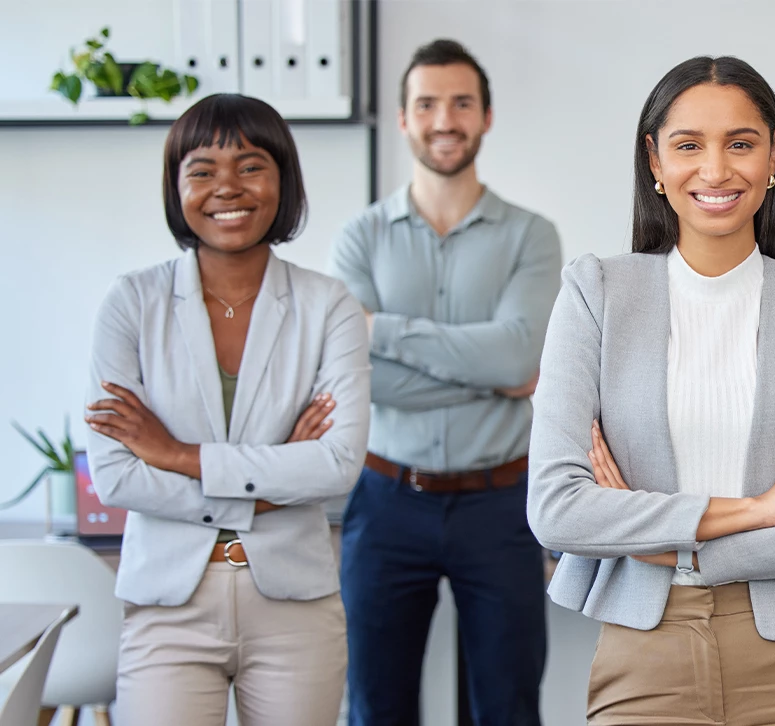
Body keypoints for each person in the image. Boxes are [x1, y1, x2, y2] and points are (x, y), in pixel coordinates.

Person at [526, 55, 775, 725]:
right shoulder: (596, 294)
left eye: (741, 143)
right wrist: (761, 509)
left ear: (773, 155)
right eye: (689, 144)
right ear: (654, 161)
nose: (716, 170)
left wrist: (642, 529)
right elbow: (556, 511)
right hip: (645, 654)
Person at [84, 93, 371, 725]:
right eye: (203, 170)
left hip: (294, 605)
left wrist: (177, 455)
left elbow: (337, 466)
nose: (227, 188)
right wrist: (276, 476)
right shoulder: (130, 303)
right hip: (167, 606)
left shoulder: (329, 306)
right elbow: (118, 475)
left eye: (250, 165)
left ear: (282, 180)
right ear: (176, 187)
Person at [329, 39, 561, 726]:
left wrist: (384, 331)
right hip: (385, 500)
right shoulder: (360, 237)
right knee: (376, 707)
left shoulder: (531, 236)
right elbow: (355, 378)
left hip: (502, 502)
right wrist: (493, 375)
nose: (444, 119)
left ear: (486, 116)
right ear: (402, 118)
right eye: (427, 103)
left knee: (507, 709)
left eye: (461, 103)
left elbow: (520, 360)